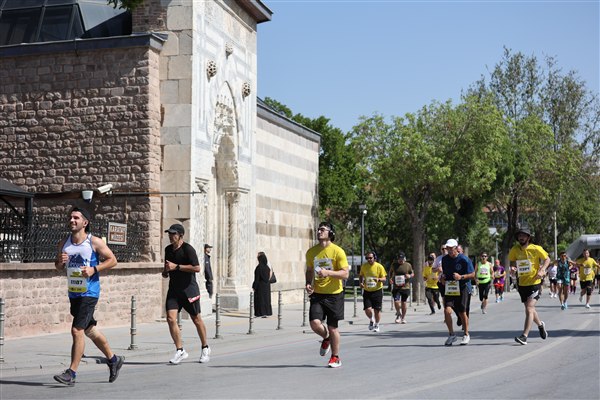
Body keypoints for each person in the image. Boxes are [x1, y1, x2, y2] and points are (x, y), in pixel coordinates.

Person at [53, 207, 124, 386]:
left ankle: (71, 373)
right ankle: (113, 359)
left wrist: (94, 269)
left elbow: (113, 260)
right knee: (89, 329)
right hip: (74, 292)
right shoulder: (64, 243)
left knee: (77, 330)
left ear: (85, 222)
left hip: (89, 292)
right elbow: (58, 267)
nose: (72, 220)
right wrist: (60, 262)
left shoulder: (94, 242)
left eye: (76, 218)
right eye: (71, 217)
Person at [162, 224, 211, 364]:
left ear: (180, 236)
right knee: (171, 319)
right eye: (169, 234)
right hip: (174, 290)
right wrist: (166, 271)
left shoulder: (188, 249)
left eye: (173, 234)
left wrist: (177, 267)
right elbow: (167, 268)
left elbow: (197, 268)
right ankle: (180, 350)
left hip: (189, 290)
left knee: (196, 319)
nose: (170, 236)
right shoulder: (168, 249)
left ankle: (205, 347)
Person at [305, 222, 349, 368]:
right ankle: (327, 338)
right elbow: (309, 270)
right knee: (314, 323)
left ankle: (335, 357)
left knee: (333, 327)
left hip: (334, 295)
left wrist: (328, 272)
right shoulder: (311, 252)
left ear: (330, 233)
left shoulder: (338, 251)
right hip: (317, 294)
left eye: (322, 230)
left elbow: (345, 274)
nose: (319, 232)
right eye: (318, 229)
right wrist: (308, 283)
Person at [508, 227, 549, 345]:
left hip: (535, 283)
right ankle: (540, 325)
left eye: (523, 235)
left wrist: (542, 270)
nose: (521, 237)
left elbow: (547, 259)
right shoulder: (515, 249)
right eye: (519, 235)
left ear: (528, 237)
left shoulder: (536, 248)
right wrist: (513, 268)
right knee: (530, 309)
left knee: (529, 308)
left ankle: (524, 336)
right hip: (522, 283)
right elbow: (512, 262)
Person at [440, 239, 474, 346]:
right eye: (448, 248)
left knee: (462, 312)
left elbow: (473, 274)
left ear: (456, 248)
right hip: (450, 287)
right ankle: (451, 334)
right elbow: (444, 273)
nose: (449, 250)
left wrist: (461, 277)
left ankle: (466, 334)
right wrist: (443, 278)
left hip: (462, 287)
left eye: (451, 248)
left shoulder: (464, 259)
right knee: (447, 311)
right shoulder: (444, 259)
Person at [358, 251, 387, 332]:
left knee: (376, 310)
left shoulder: (379, 266)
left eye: (370, 258)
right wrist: (361, 283)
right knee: (367, 309)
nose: (369, 259)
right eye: (367, 258)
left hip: (377, 291)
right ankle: (371, 319)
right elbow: (361, 275)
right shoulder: (364, 266)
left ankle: (377, 325)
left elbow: (384, 278)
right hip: (367, 290)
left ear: (374, 258)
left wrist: (378, 279)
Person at [389, 252, 414, 324]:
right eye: (399, 259)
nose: (401, 260)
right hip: (396, 287)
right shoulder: (394, 265)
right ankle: (398, 314)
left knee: (404, 303)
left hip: (405, 287)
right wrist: (390, 279)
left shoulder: (408, 265)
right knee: (396, 301)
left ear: (404, 258)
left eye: (402, 259)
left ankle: (403, 318)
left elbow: (412, 273)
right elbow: (390, 273)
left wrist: (409, 276)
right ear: (397, 259)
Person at [252, 251, 273, 317]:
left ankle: (260, 312)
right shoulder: (267, 268)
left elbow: (257, 279)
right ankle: (267, 312)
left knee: (260, 300)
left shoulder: (259, 268)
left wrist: (254, 287)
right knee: (266, 299)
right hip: (266, 286)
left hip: (260, 287)